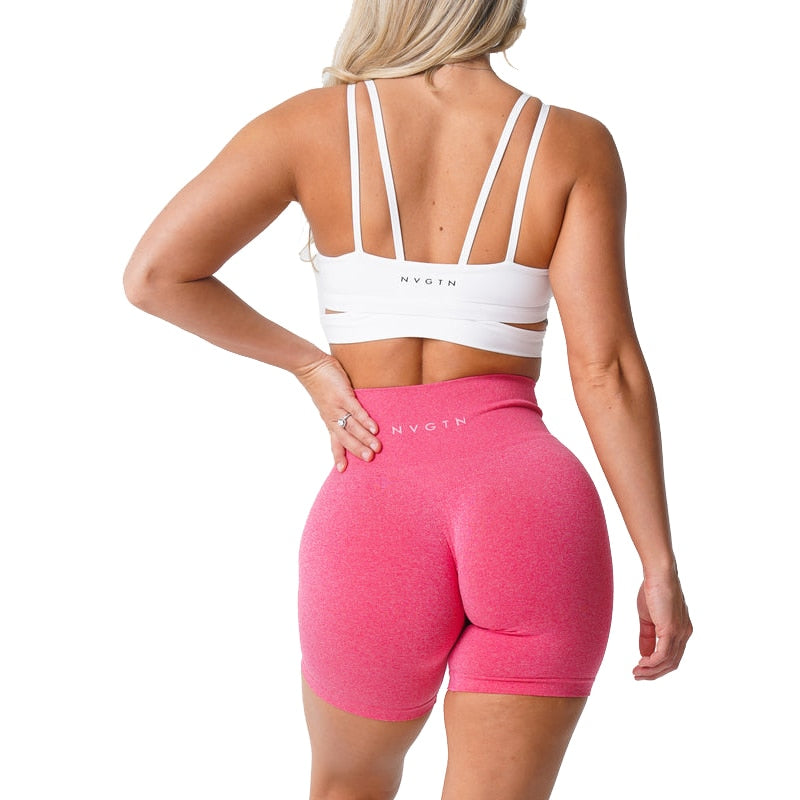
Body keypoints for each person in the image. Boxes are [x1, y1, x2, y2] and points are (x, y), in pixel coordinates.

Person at [123, 1, 692, 797]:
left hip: (377, 498)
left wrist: (310, 366)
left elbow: (155, 277)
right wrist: (658, 563)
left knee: (348, 785)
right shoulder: (571, 143)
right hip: (529, 503)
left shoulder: (309, 125)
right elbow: (606, 369)